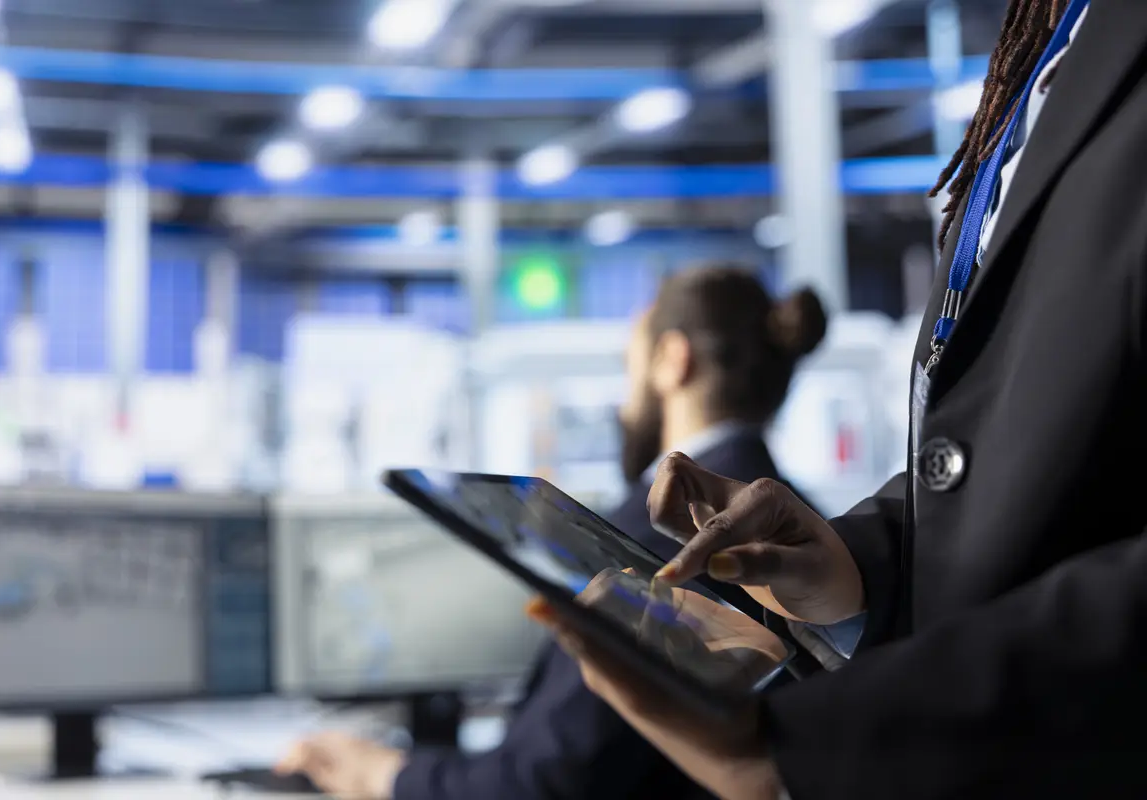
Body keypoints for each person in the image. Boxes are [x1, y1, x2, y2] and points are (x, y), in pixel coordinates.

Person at [531, 1, 1147, 798]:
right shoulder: (1054, 40)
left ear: (671, 361)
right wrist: (857, 576)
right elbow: (1042, 445)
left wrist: (815, 750)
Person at [275, 265, 828, 800]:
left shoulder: (663, 534)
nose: (623, 397)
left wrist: (383, 774)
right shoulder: (802, 519)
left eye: (628, 365)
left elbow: (545, 782)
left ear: (671, 360)